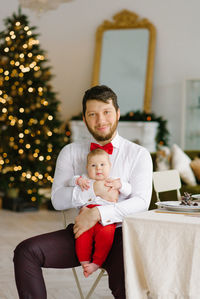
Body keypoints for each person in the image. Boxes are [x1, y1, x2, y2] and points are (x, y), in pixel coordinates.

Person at [13, 85, 153, 299]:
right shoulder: (70, 152)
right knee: (25, 252)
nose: (100, 120)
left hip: (121, 235)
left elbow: (142, 202)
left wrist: (98, 214)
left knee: (127, 279)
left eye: (106, 112)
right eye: (92, 114)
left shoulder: (138, 154)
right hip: (82, 235)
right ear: (85, 118)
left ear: (117, 113)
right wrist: (93, 190)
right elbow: (57, 200)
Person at [70, 148, 132, 277]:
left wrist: (119, 185)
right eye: (93, 165)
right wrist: (78, 181)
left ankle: (96, 263)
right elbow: (70, 181)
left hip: (106, 217)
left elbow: (129, 190)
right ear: (87, 168)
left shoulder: (113, 180)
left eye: (102, 165)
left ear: (109, 166)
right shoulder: (86, 179)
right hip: (86, 216)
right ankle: (85, 262)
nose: (98, 168)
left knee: (106, 236)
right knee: (81, 236)